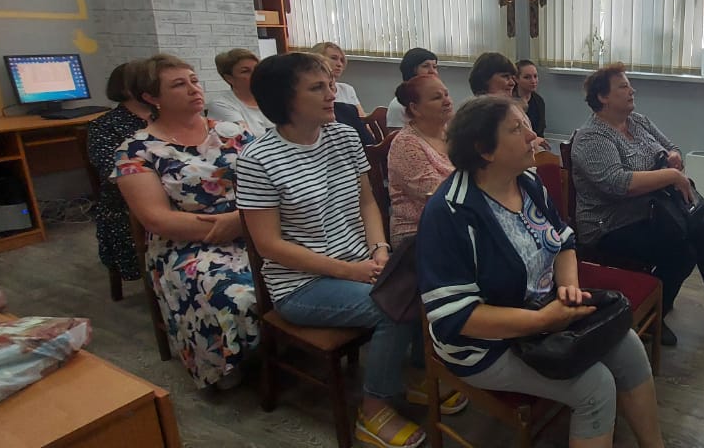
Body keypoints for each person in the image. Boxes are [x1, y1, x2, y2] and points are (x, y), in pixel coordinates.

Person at [236, 52, 458, 448]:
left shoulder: (342, 135)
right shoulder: (258, 160)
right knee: (393, 306)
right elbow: (269, 246)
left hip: (361, 263)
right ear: (285, 99)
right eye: (317, 87)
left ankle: (415, 374)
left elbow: (368, 202)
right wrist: (349, 271)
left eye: (330, 84)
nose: (331, 93)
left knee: (429, 280)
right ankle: (373, 409)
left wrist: (379, 249)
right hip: (302, 284)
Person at [419, 96, 663, 448]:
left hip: (545, 316)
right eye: (516, 129)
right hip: (485, 347)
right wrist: (541, 321)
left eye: (526, 125)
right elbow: (454, 316)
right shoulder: (450, 213)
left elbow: (563, 241)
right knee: (595, 387)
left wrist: (568, 288)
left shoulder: (527, 183)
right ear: (484, 150)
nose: (532, 135)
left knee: (629, 347)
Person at [571, 64, 704, 346]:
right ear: (602, 97)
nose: (632, 90)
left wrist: (673, 157)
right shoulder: (591, 137)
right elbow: (618, 183)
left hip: (653, 211)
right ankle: (654, 313)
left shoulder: (638, 121)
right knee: (681, 252)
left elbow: (672, 146)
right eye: (623, 87)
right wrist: (670, 176)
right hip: (609, 224)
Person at [112, 54, 259, 390]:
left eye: (194, 80)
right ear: (151, 97)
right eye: (179, 84)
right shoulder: (136, 151)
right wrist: (231, 225)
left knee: (309, 262)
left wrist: (240, 221)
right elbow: (157, 219)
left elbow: (272, 184)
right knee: (236, 293)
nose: (194, 89)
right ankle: (223, 362)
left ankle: (288, 338)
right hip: (186, 245)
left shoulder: (232, 132)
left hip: (250, 225)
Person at [87, 62, 149, 283]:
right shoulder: (105, 126)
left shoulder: (167, 116)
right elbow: (112, 172)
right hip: (128, 204)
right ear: (125, 89)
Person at [387, 74, 454, 247]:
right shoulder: (406, 144)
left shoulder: (454, 134)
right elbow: (439, 196)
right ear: (415, 108)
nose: (447, 101)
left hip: (456, 225)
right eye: (437, 98)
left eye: (446, 94)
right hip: (418, 235)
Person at [207, 48, 273, 133]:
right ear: (229, 78)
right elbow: (246, 137)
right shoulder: (221, 105)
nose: (256, 74)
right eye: (245, 71)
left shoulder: (272, 97)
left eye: (257, 69)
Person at [386, 48, 440, 129]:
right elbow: (396, 136)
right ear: (411, 70)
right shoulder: (399, 105)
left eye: (435, 67)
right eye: (425, 66)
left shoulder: (438, 98)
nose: (433, 72)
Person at [313, 41, 365, 116]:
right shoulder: (312, 91)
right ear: (317, 59)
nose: (339, 64)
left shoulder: (347, 89)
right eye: (334, 58)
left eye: (342, 60)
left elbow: (362, 118)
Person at [515, 59, 546, 134]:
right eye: (527, 77)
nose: (533, 81)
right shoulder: (509, 102)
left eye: (535, 76)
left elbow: (540, 130)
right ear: (516, 79)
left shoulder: (538, 101)